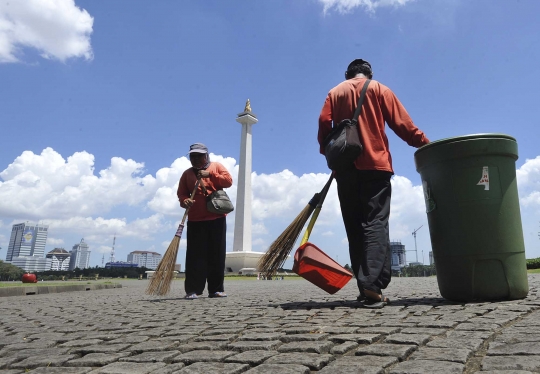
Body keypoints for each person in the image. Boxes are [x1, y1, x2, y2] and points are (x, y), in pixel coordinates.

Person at [318, 59, 430, 308]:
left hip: (345, 170)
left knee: (354, 226)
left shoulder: (334, 92)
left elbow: (324, 126)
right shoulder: (379, 89)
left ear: (347, 74)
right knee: (375, 222)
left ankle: (366, 286)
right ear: (369, 73)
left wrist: (332, 156)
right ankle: (371, 284)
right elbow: (404, 126)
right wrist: (425, 144)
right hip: (375, 165)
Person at [177, 143, 233, 299]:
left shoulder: (216, 167)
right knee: (195, 256)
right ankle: (193, 290)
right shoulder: (187, 174)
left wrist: (210, 175)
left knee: (217, 254)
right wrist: (185, 201)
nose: (195, 159)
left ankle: (216, 289)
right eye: (192, 156)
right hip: (195, 220)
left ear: (206, 156)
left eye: (199, 156)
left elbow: (228, 181)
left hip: (217, 218)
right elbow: (181, 194)